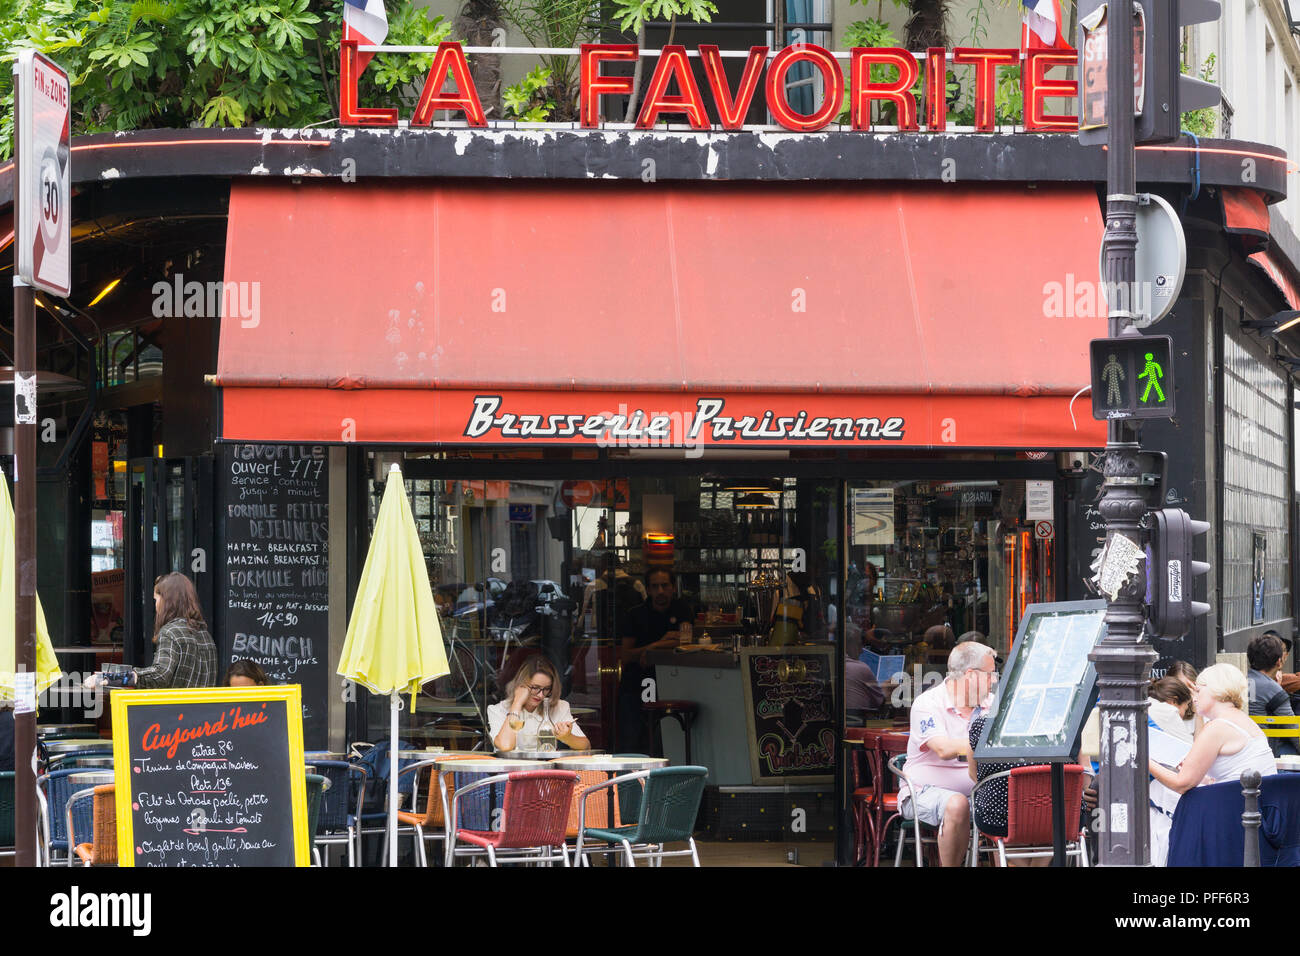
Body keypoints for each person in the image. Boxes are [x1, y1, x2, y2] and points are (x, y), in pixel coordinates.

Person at [901, 640, 998, 867]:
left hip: (981, 793)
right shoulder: (928, 703)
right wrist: (982, 744)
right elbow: (943, 749)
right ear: (971, 676)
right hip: (923, 793)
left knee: (1017, 800)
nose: (994, 681)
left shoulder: (992, 704)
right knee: (957, 805)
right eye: (990, 674)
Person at [1148, 664, 1277, 802]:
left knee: (1156, 791)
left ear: (1216, 690)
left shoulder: (1217, 727)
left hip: (1233, 810)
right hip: (1256, 808)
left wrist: (1143, 759)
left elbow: (1182, 784)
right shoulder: (1244, 721)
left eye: (1198, 690)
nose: (1193, 698)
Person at [87, 573, 217, 690]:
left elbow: (160, 675)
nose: (155, 605)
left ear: (167, 601)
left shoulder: (170, 632)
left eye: (156, 599)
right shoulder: (205, 635)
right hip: (203, 715)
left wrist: (108, 679)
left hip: (176, 714)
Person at [617, 568, 692, 752]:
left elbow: (685, 642)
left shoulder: (682, 609)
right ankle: (630, 780)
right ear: (648, 590)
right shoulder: (635, 615)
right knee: (632, 741)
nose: (660, 591)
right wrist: (659, 643)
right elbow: (625, 655)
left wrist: (652, 649)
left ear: (673, 588)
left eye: (664, 586)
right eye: (655, 586)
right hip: (636, 683)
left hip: (672, 683)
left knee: (666, 741)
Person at [488, 654, 590, 752]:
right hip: (512, 769)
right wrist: (517, 704)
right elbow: (505, 746)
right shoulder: (498, 710)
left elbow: (586, 746)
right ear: (520, 684)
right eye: (535, 688)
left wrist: (568, 738)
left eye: (546, 689)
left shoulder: (559, 707)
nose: (541, 695)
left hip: (545, 769)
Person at [1146, 677, 1195, 867]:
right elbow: (1191, 755)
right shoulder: (1168, 711)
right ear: (1174, 701)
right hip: (1152, 789)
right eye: (1186, 707)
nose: (1184, 714)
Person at [1246, 632, 1296, 757]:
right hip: (1266, 752)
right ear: (1279, 662)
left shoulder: (1241, 680)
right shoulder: (1273, 690)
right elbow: (1293, 730)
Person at [844, 625, 885, 724]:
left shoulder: (837, 665)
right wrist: (889, 686)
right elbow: (880, 702)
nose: (862, 650)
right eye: (859, 645)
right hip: (858, 726)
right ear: (849, 644)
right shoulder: (860, 668)